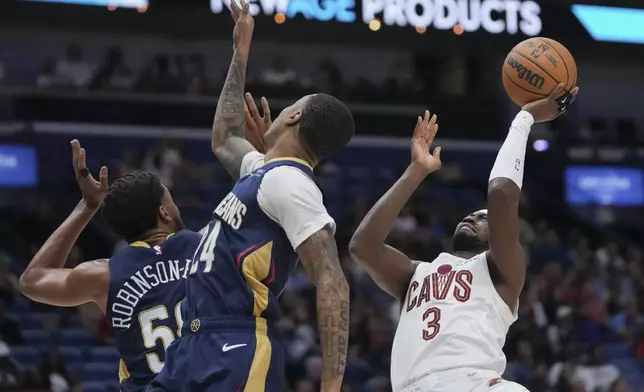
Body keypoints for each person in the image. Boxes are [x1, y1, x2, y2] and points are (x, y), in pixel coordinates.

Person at [149, 1, 353, 391]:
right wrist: (239, 51)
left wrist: (331, 386)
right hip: (192, 342)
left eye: (289, 106)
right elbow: (225, 137)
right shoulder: (264, 171)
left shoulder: (291, 184)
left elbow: (333, 283)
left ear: (294, 116)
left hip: (235, 344)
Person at [349, 84, 579, 392]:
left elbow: (500, 192)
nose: (473, 217)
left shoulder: (503, 271)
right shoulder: (414, 273)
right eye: (472, 215)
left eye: (484, 218)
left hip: (475, 383)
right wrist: (416, 172)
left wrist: (524, 118)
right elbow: (362, 247)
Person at [19, 140, 202, 392]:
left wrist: (87, 206)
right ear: (164, 213)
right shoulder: (207, 247)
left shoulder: (104, 275)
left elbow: (32, 281)